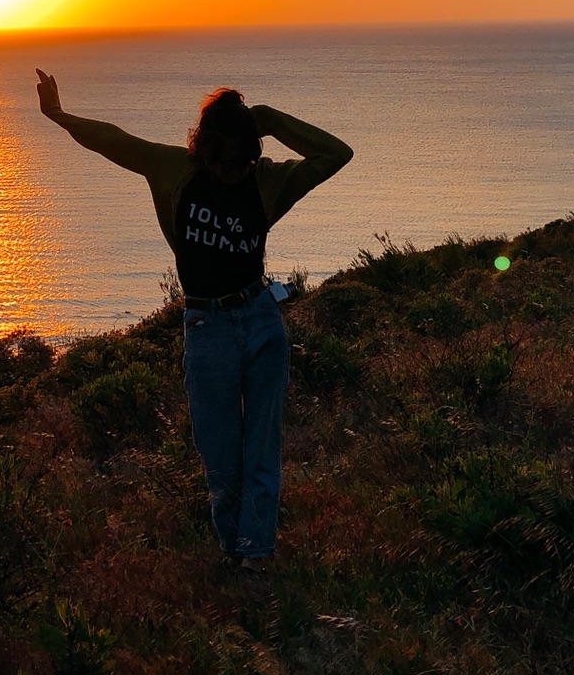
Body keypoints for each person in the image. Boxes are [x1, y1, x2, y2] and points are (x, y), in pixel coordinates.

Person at [35, 69, 353, 573]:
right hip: (207, 330)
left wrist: (267, 119)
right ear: (202, 149)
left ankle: (256, 560)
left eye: (244, 164)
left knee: (261, 453)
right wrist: (58, 115)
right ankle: (234, 552)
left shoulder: (268, 181)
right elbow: (112, 141)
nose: (234, 175)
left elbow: (336, 154)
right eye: (226, 164)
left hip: (260, 320)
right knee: (222, 456)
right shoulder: (171, 170)